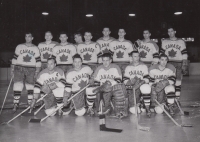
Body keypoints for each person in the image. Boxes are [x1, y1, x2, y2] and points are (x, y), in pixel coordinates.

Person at [87, 53, 128, 118]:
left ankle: (120, 111)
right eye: (103, 60)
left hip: (113, 87)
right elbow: (96, 81)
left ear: (110, 60)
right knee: (103, 110)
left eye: (107, 60)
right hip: (102, 89)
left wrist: (109, 84)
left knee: (120, 87)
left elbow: (119, 80)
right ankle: (93, 108)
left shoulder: (116, 67)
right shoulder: (99, 68)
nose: (105, 62)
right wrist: (102, 87)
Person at [11, 32, 41, 112]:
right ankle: (15, 103)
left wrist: (37, 71)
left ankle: (30, 103)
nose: (27, 38)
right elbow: (14, 58)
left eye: (29, 36)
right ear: (25, 38)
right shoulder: (19, 46)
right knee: (18, 84)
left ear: (32, 38)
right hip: (19, 67)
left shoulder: (35, 48)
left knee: (30, 85)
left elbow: (38, 60)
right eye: (26, 36)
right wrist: (12, 69)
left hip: (31, 68)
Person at [160, 27, 188, 100]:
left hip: (178, 63)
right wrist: (161, 62)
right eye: (168, 31)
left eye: (171, 31)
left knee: (178, 81)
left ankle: (177, 99)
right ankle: (168, 98)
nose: (170, 33)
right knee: (168, 80)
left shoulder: (181, 41)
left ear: (175, 31)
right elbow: (161, 53)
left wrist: (185, 64)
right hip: (168, 63)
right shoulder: (164, 41)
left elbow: (184, 53)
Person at [123, 51, 151, 117]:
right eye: (135, 56)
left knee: (146, 87)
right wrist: (130, 82)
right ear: (131, 57)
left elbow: (147, 79)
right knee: (136, 111)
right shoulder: (128, 67)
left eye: (138, 56)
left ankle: (147, 108)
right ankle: (140, 103)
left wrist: (140, 83)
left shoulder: (143, 66)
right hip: (132, 88)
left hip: (141, 84)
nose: (137, 58)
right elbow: (125, 80)